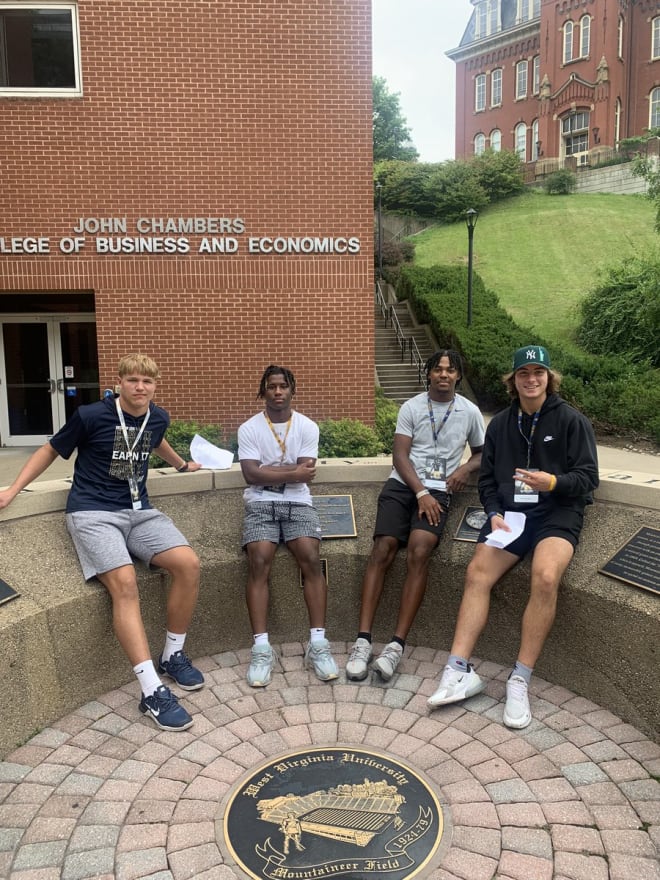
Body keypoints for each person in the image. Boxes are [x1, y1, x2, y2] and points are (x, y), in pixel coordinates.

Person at [0, 354, 204, 732]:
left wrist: (180, 466)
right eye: (133, 380)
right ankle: (151, 691)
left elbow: (156, 442)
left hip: (140, 512)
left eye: (147, 381)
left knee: (188, 564)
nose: (140, 387)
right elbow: (50, 449)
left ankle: (173, 656)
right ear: (120, 382)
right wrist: (13, 489)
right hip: (93, 513)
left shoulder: (157, 417)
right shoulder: (91, 416)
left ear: (155, 385)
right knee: (125, 586)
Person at [428, 345, 599, 728]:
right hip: (512, 518)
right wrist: (493, 513)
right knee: (477, 573)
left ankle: (519, 679)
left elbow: (589, 478)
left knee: (546, 577)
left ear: (549, 379)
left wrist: (552, 481)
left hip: (558, 513)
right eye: (524, 373)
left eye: (538, 372)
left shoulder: (572, 421)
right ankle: (458, 671)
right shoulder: (501, 424)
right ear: (514, 380)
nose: (531, 379)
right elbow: (487, 480)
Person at [345, 350, 485, 682]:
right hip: (404, 485)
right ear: (428, 373)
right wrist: (420, 492)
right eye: (437, 369)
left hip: (439, 490)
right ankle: (362, 642)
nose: (444, 375)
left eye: (450, 370)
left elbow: (482, 453)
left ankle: (395, 646)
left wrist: (466, 467)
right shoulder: (411, 407)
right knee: (383, 548)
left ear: (458, 376)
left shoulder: (470, 412)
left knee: (421, 551)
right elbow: (399, 454)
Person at [237, 365, 338, 687]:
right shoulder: (249, 428)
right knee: (259, 559)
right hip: (260, 504)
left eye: (283, 386)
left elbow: (305, 473)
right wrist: (290, 473)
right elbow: (251, 475)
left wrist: (275, 473)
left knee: (310, 556)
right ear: (263, 391)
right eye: (271, 387)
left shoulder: (307, 427)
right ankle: (262, 648)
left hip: (299, 503)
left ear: (292, 390)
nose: (278, 392)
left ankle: (318, 644)